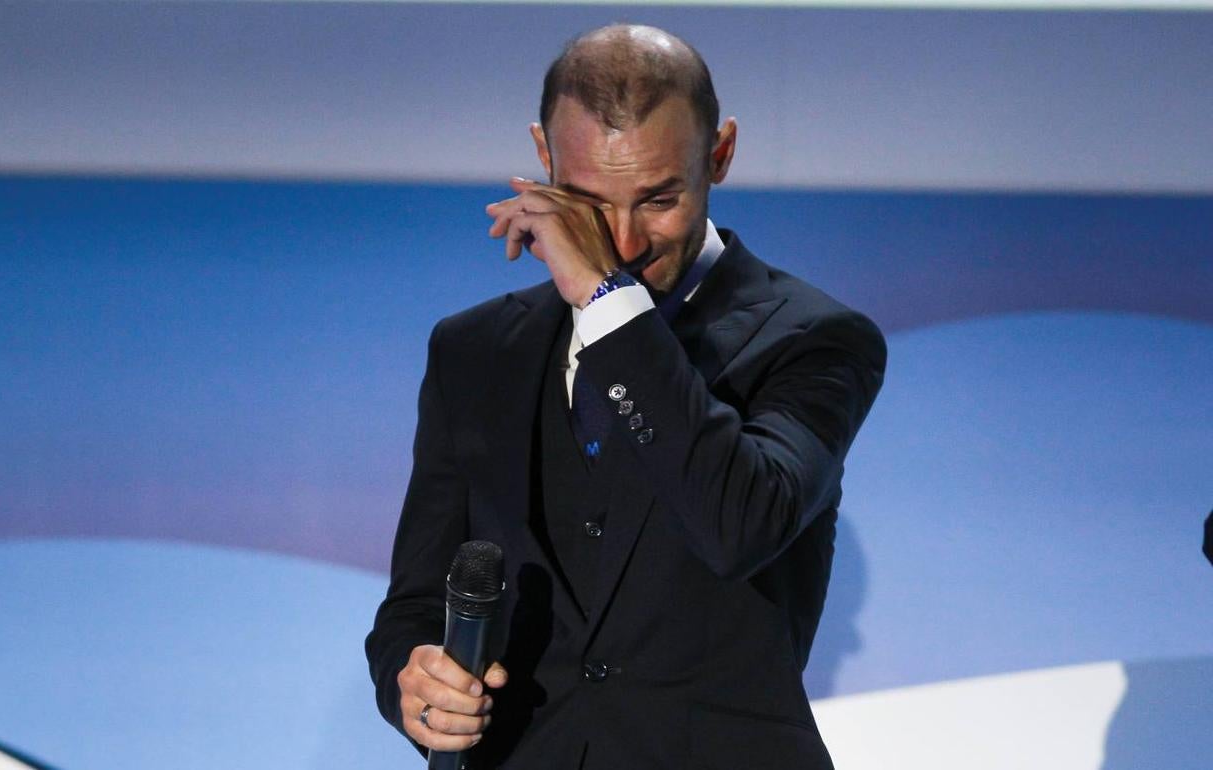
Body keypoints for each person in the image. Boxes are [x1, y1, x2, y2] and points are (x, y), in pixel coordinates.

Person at [365, 24, 886, 769]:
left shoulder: (816, 340)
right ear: (543, 158)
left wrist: (608, 303)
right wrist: (413, 684)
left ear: (721, 155)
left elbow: (740, 524)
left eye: (658, 199)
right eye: (585, 201)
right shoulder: (473, 351)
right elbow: (418, 601)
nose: (623, 240)